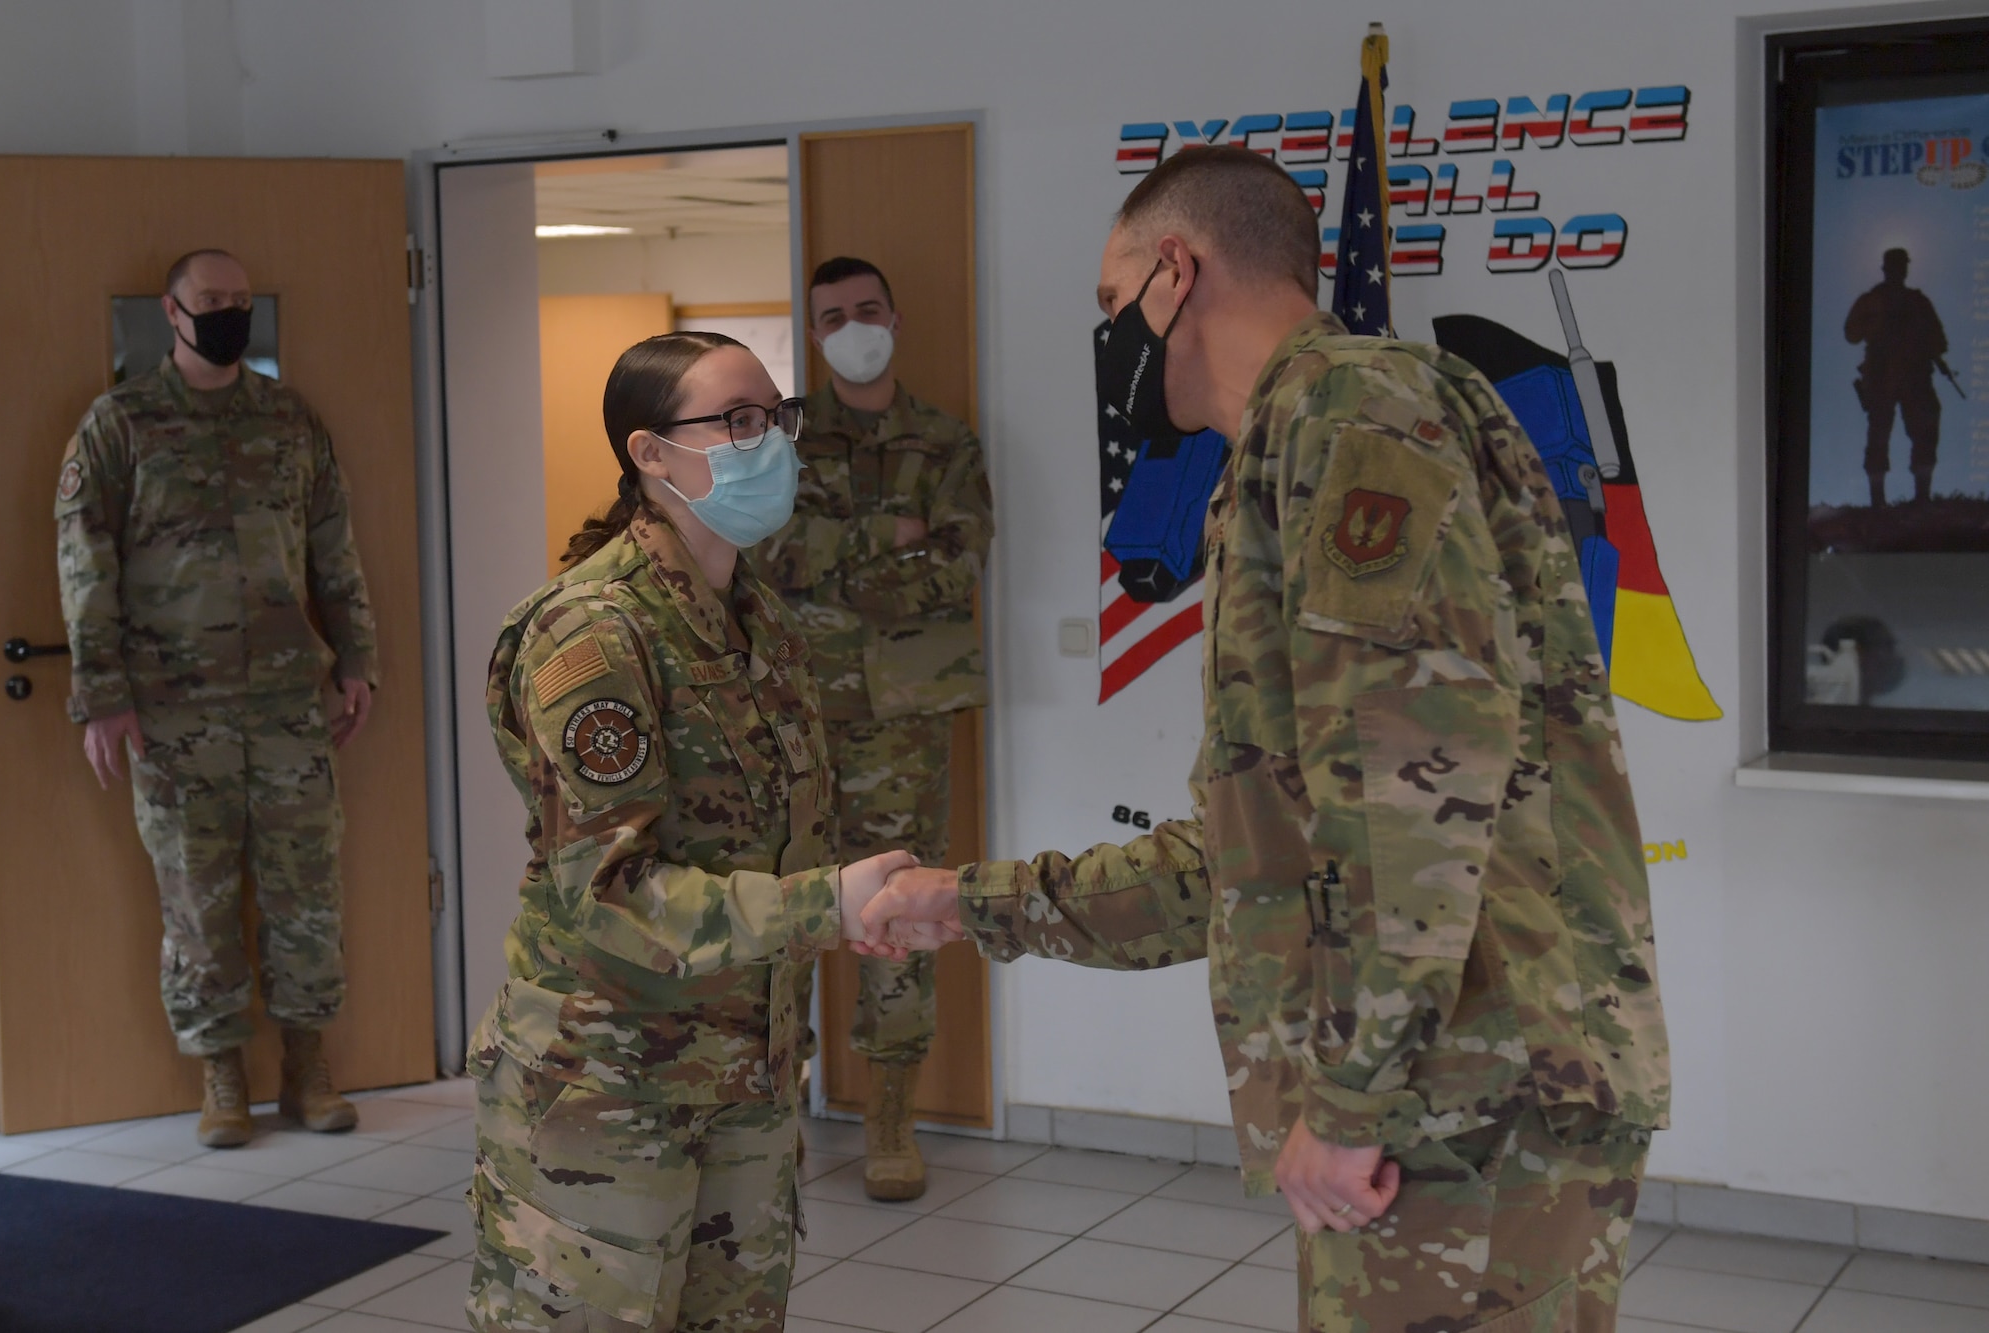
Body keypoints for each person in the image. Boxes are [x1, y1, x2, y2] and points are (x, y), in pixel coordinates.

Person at [861, 145, 1670, 1332]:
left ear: (1173, 272)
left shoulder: (1350, 415)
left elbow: (1410, 800)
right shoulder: (1293, 443)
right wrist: (970, 902)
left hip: (1463, 1102)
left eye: (1109, 300)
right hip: (1442, 1092)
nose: (1108, 340)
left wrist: (1348, 1102)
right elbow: (1266, 850)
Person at [467, 331, 923, 1332]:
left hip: (746, 1074)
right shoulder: (591, 631)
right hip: (609, 1087)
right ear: (650, 454)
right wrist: (826, 901)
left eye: (778, 417)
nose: (772, 444)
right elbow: (613, 894)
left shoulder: (760, 617)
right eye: (740, 421)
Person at [55, 248, 377, 1149]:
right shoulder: (119, 423)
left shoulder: (288, 418)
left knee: (305, 890)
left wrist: (358, 658)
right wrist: (103, 696)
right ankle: (221, 1074)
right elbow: (86, 565)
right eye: (211, 301)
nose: (227, 313)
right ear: (172, 309)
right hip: (172, 708)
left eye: (240, 300)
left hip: (286, 702)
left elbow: (334, 551)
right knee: (196, 898)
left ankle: (308, 1067)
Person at [756, 256, 993, 1201]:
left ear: (892, 316)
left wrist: (832, 558)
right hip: (797, 718)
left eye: (867, 309)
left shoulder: (945, 440)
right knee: (789, 917)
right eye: (833, 316)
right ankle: (780, 1110)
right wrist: (882, 540)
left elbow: (956, 563)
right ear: (813, 334)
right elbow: (765, 555)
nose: (853, 325)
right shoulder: (776, 440)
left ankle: (891, 1118)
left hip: (903, 721)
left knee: (902, 910)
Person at [1846, 247, 1949, 506]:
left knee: (1924, 431)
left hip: (1913, 375)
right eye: (1896, 265)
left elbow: (1938, 340)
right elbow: (1851, 333)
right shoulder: (1873, 300)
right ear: (1888, 268)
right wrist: (1879, 325)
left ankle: (1921, 497)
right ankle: (1878, 501)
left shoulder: (1917, 301)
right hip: (1883, 375)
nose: (1899, 271)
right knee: (1879, 435)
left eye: (1901, 266)